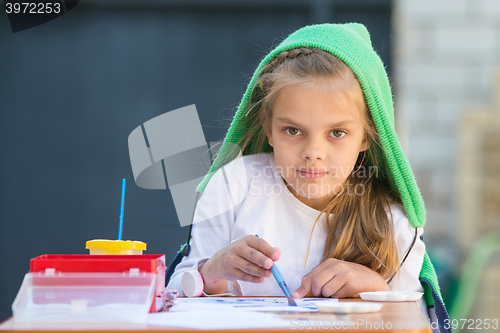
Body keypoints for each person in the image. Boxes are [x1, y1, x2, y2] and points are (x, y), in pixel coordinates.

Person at [167, 23, 449, 330]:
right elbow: (172, 294)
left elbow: (419, 320)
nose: (313, 151)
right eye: (292, 130)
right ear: (267, 126)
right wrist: (212, 271)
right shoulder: (233, 186)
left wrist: (377, 288)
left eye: (337, 132)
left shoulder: (391, 220)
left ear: (368, 136)